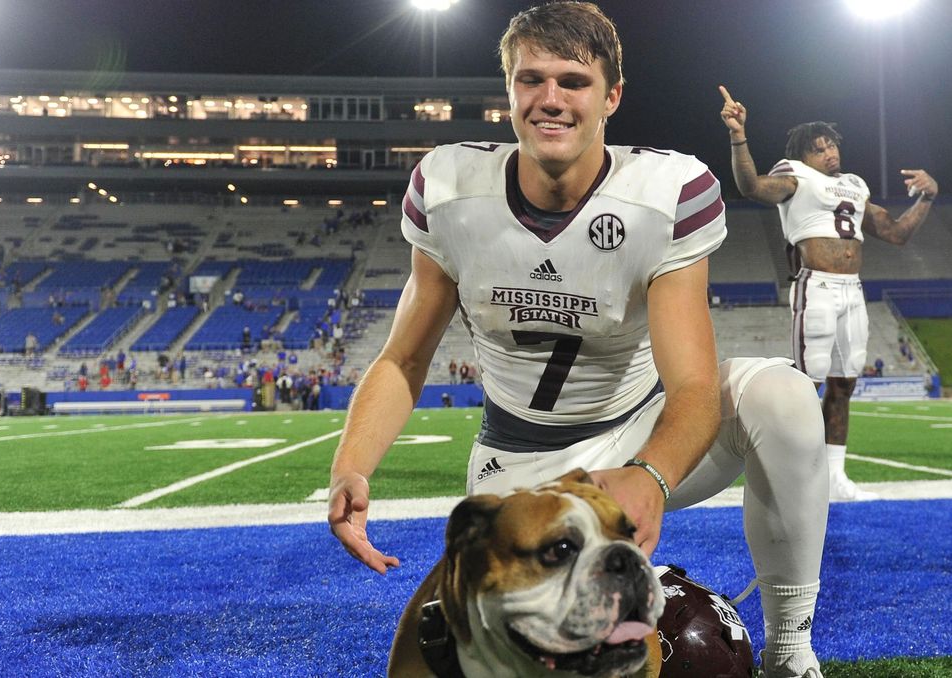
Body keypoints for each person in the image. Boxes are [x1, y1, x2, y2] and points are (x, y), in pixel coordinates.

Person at [329, 5, 829, 677]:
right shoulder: (449, 186)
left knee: (785, 396)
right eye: (530, 79)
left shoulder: (664, 191)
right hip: (518, 468)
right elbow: (404, 357)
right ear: (507, 90)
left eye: (574, 81)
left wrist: (651, 473)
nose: (550, 99)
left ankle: (793, 648)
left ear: (612, 96)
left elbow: (693, 385)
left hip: (634, 434)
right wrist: (352, 466)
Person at [719, 88, 938, 502]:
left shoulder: (854, 186)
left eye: (832, 144)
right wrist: (738, 136)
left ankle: (835, 476)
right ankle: (790, 474)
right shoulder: (796, 178)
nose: (829, 153)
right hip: (815, 285)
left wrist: (928, 196)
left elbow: (896, 233)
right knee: (807, 384)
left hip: (853, 292)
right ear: (804, 157)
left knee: (844, 384)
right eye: (818, 149)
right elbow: (751, 186)